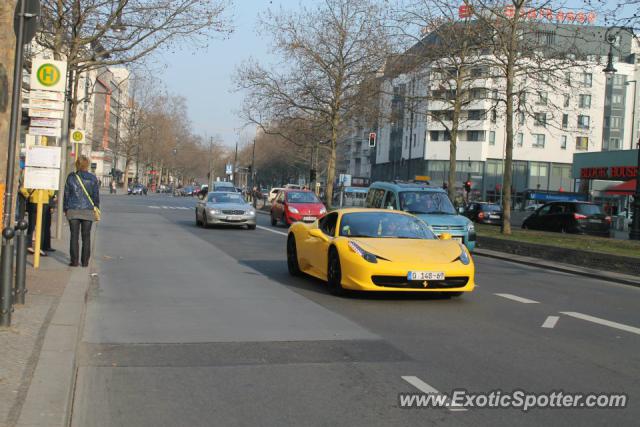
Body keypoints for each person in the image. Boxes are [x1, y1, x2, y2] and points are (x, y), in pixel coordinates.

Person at [64, 156, 100, 267]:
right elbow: (95, 196)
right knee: (86, 237)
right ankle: (85, 262)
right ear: (87, 164)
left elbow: (66, 194)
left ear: (77, 164)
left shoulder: (71, 177)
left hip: (73, 209)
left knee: (74, 236)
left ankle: (74, 261)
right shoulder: (92, 178)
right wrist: (96, 207)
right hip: (88, 210)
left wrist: (66, 208)